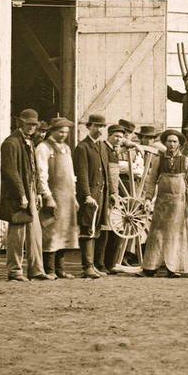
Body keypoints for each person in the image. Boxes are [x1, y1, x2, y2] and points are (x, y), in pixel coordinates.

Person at [0, 109, 50, 283]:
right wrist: (21, 194)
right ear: (20, 123)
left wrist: (35, 192)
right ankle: (14, 271)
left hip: (30, 190)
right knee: (17, 233)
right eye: (28, 124)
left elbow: (32, 170)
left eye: (34, 125)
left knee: (35, 232)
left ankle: (36, 270)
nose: (31, 127)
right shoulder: (11, 143)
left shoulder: (29, 142)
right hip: (17, 193)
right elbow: (10, 171)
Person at [140, 129, 188, 277]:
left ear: (179, 144)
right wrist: (148, 198)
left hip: (179, 203)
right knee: (157, 234)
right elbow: (151, 181)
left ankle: (174, 269)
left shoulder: (185, 160)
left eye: (174, 141)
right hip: (162, 202)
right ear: (165, 143)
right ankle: (150, 268)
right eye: (169, 141)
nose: (171, 144)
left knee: (175, 235)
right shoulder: (159, 159)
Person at [35, 118, 78, 280]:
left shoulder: (66, 148)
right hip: (53, 196)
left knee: (64, 232)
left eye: (66, 132)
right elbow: (41, 174)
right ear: (52, 131)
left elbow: (71, 175)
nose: (63, 135)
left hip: (67, 197)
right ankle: (49, 269)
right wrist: (48, 196)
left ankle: (61, 269)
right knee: (51, 232)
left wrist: (73, 197)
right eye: (60, 131)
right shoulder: (44, 148)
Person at [74, 114, 115, 277]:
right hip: (90, 197)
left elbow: (107, 172)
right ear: (89, 127)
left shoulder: (102, 147)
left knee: (97, 228)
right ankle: (87, 266)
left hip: (102, 195)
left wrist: (111, 192)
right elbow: (81, 174)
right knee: (87, 229)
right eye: (96, 126)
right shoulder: (82, 147)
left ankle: (94, 265)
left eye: (102, 127)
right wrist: (86, 195)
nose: (99, 129)